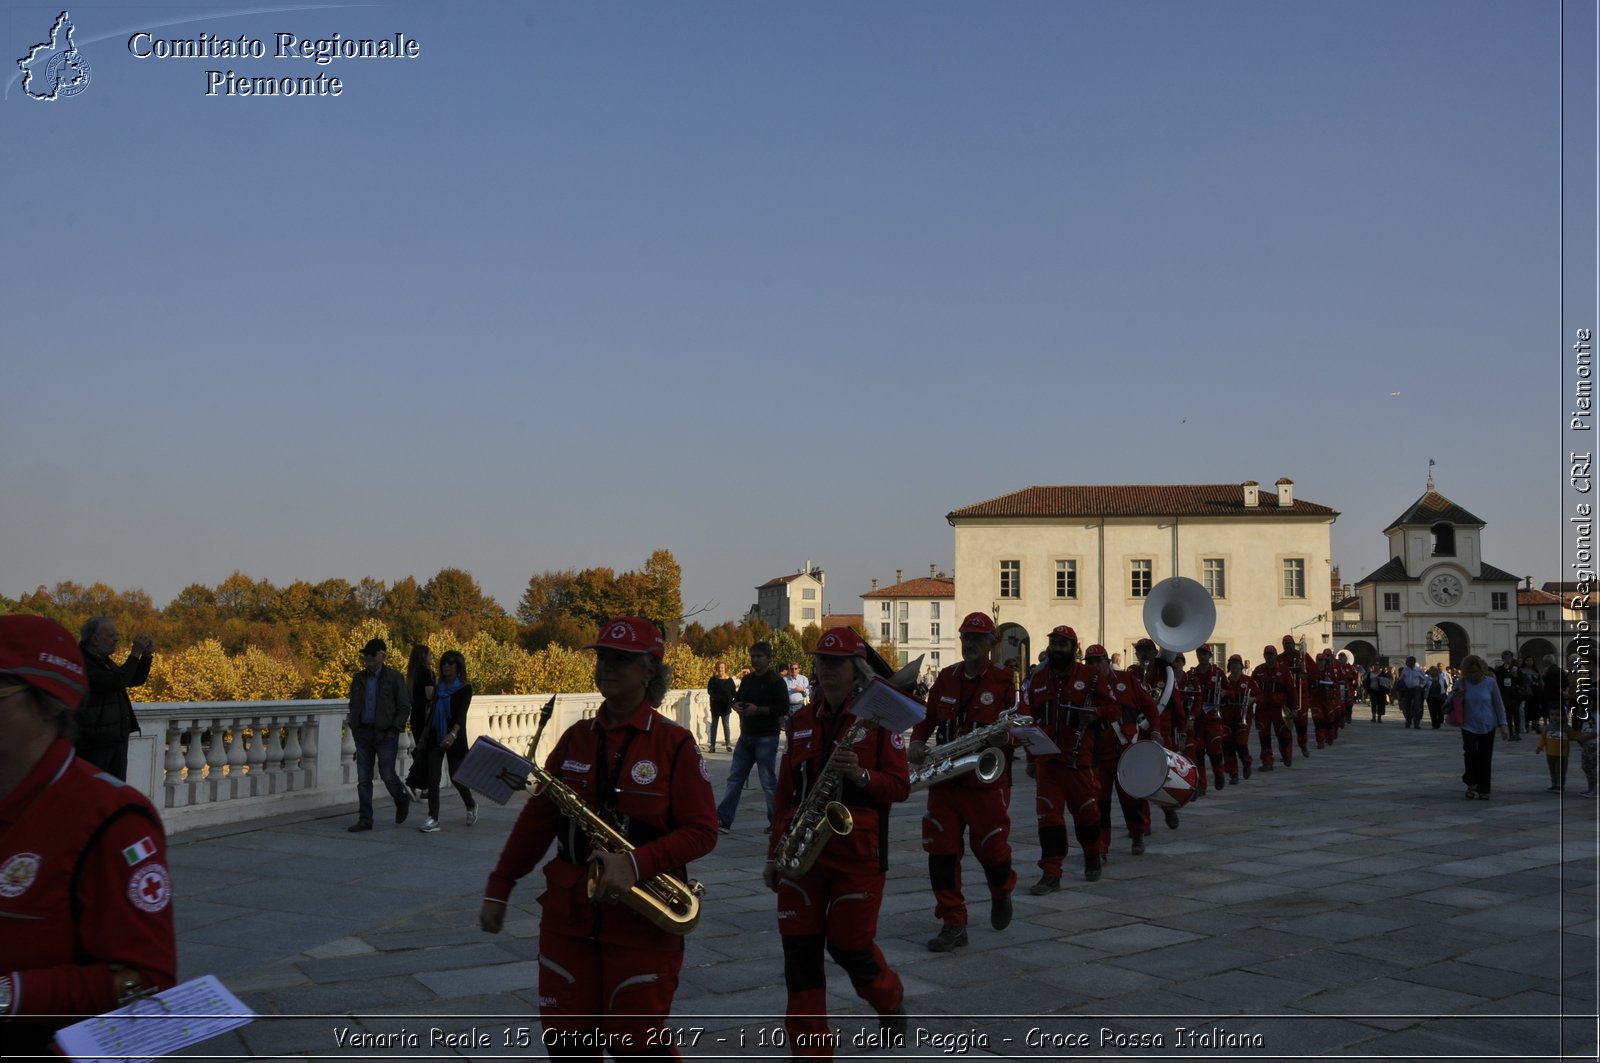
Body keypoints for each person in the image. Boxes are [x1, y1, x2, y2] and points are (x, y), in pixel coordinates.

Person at [481, 617, 716, 1058]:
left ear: (650, 670)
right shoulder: (575, 739)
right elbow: (536, 822)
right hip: (567, 920)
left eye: (620, 659)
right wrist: (500, 887)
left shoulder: (676, 745)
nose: (606, 666)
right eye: (602, 656)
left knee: (636, 1050)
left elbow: (703, 832)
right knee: (567, 1048)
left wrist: (637, 863)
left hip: (642, 925)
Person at [0, 615, 176, 1056]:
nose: (114, 641)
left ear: (49, 702)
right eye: (110, 638)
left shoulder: (112, 823)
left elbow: (146, 986)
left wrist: (10, 994)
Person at [763, 627, 908, 1058]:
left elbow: (900, 786)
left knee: (849, 946)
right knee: (800, 959)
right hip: (803, 853)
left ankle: (889, 999)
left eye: (836, 662)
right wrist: (775, 854)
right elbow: (788, 793)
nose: (826, 669)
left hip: (857, 852)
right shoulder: (802, 720)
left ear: (857, 668)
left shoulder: (880, 720)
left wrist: (861, 776)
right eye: (822, 661)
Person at [909, 612, 1017, 951]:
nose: (969, 642)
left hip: (984, 781)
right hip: (946, 780)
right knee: (940, 852)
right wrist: (916, 741)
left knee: (993, 851)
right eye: (966, 636)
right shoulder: (945, 677)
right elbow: (927, 721)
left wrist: (1006, 740)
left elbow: (1018, 725)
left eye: (977, 637)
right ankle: (953, 922)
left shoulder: (1004, 679)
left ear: (991, 643)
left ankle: (1001, 891)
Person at [1023, 626, 1114, 888]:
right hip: (1047, 762)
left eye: (1063, 645)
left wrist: (1095, 712)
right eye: (1054, 644)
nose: (1057, 649)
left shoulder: (1091, 676)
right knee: (1048, 817)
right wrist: (1031, 758)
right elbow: (1031, 719)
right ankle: (1051, 871)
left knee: (1086, 813)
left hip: (1079, 759)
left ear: (1075, 648)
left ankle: (1092, 854)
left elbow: (1114, 708)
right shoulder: (1038, 680)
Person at [716, 641, 788, 833]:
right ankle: (723, 819)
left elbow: (783, 707)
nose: (755, 659)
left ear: (768, 659)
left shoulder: (776, 681)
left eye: (759, 656)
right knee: (735, 779)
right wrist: (735, 706)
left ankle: (776, 821)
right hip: (746, 735)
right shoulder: (748, 680)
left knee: (768, 782)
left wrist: (760, 710)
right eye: (753, 656)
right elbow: (736, 698)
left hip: (766, 736)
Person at [74, 616, 154, 780]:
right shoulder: (82, 663)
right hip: (95, 744)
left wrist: (146, 657)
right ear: (95, 639)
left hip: (114, 740)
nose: (116, 638)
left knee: (115, 792)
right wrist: (135, 653)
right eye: (111, 635)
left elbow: (133, 680)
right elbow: (117, 682)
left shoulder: (104, 661)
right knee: (95, 792)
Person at [346, 638, 411, 832]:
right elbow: (354, 704)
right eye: (365, 654)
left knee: (387, 774)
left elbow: (404, 706)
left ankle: (401, 799)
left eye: (372, 654)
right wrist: (355, 727)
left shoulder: (394, 678)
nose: (367, 658)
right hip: (363, 734)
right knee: (363, 779)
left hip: (385, 734)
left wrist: (394, 729)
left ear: (382, 656)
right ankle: (365, 819)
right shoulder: (359, 678)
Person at [415, 650, 478, 832]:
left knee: (455, 776)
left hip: (454, 737)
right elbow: (432, 712)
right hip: (435, 735)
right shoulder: (438, 687)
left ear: (458, 666)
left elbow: (461, 715)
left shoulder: (465, 688)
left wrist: (452, 734)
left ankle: (470, 804)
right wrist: (423, 737)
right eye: (443, 663)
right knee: (433, 778)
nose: (446, 666)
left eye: (451, 663)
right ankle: (433, 818)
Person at [1451, 654, 1508, 799]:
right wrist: (1457, 696)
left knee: (1485, 756)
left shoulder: (1490, 683)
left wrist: (1503, 724)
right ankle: (1471, 782)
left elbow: (1498, 704)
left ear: (1482, 669)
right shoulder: (1462, 683)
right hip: (1468, 724)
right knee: (1470, 753)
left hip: (1488, 724)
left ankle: (1484, 789)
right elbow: (1450, 700)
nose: (1474, 675)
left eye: (1476, 672)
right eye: (1470, 672)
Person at [404, 644, 436, 799]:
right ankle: (415, 782)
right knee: (427, 753)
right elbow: (430, 695)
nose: (432, 656)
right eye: (429, 654)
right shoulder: (427, 673)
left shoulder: (412, 675)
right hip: (426, 717)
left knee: (421, 750)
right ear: (423, 656)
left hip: (416, 716)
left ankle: (423, 786)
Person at [706, 660, 737, 753]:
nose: (720, 669)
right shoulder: (712, 680)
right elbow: (709, 691)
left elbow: (734, 693)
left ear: (725, 668)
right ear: (716, 668)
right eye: (719, 667)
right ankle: (712, 746)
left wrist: (728, 699)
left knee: (726, 725)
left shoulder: (730, 680)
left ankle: (728, 744)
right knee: (714, 726)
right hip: (715, 706)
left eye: (722, 667)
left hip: (726, 706)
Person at [1535, 717, 1571, 792]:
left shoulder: (1566, 728)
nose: (1555, 717)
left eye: (1557, 715)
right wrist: (1539, 747)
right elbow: (1543, 739)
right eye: (1552, 714)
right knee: (1552, 770)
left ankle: (1560, 785)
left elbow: (1573, 736)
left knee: (1560, 770)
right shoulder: (1547, 727)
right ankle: (1554, 784)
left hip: (1562, 754)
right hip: (1550, 753)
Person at [1396, 656, 1427, 729]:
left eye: (1409, 662)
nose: (1407, 664)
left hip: (1416, 690)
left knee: (1417, 707)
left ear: (1413, 662)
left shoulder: (1419, 670)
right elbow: (1401, 679)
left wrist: (1421, 686)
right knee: (1406, 707)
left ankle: (1417, 723)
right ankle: (1408, 720)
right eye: (1407, 662)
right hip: (1407, 690)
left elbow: (1424, 680)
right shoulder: (1405, 670)